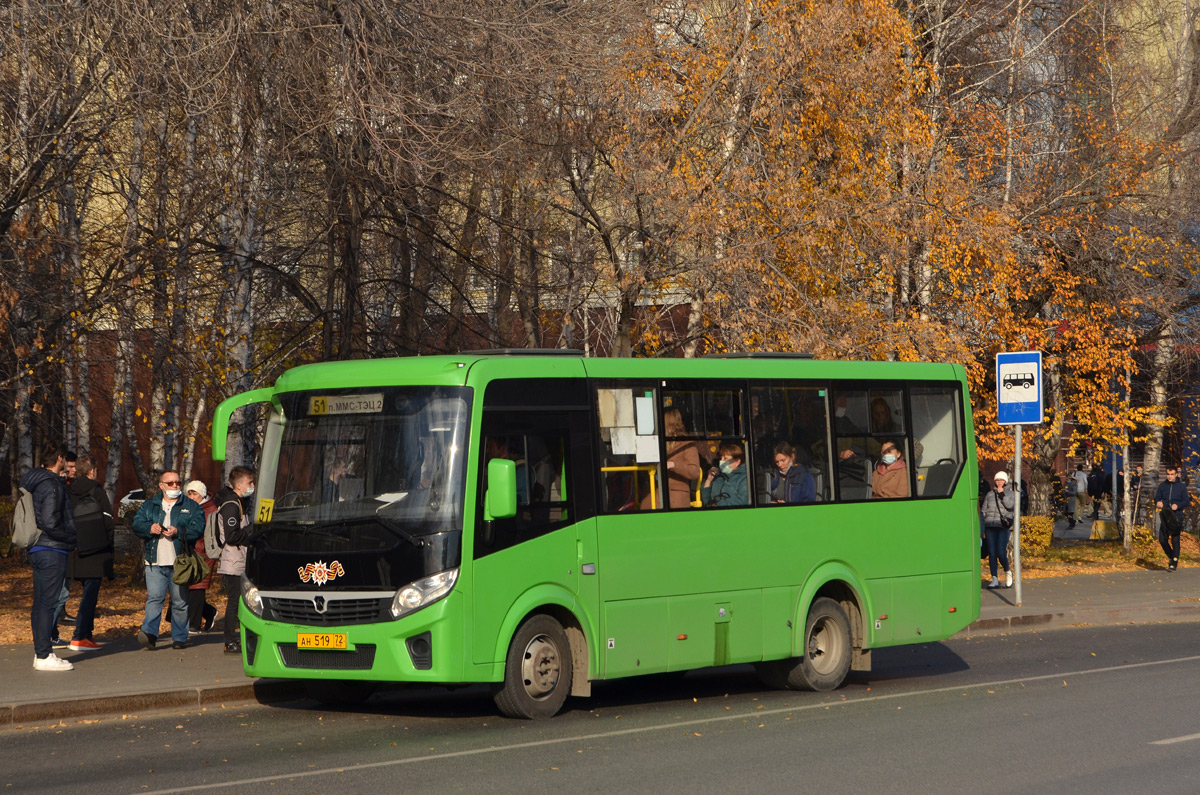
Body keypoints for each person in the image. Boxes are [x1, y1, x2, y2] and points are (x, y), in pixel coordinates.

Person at [132, 470, 206, 650]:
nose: (175, 486)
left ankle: (179, 637)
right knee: (155, 599)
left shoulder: (191, 505)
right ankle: (149, 634)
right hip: (154, 562)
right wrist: (150, 528)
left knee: (180, 601)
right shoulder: (150, 505)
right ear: (161, 486)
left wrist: (178, 531)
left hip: (180, 563)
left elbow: (198, 527)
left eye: (178, 483)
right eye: (171, 483)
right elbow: (137, 523)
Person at [21, 443, 77, 671]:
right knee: (47, 604)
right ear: (60, 458)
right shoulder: (52, 483)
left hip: (38, 547)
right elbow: (50, 521)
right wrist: (71, 538)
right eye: (65, 460)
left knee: (41, 604)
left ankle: (41, 653)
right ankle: (44, 655)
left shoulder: (36, 482)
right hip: (51, 548)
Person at [65, 454, 114, 651]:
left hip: (73, 551)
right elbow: (108, 522)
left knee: (75, 595)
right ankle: (80, 637)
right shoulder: (97, 490)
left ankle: (86, 635)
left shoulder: (67, 490)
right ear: (92, 471)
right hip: (95, 551)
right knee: (89, 596)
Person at [216, 466, 257, 654]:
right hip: (233, 561)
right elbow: (232, 536)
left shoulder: (239, 503)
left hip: (240, 559)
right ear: (239, 485)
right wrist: (252, 529)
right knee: (234, 601)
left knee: (242, 600)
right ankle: (230, 640)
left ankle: (238, 637)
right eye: (250, 483)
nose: (253, 486)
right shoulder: (231, 505)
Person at [184, 480, 219, 634]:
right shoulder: (190, 508)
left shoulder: (210, 509)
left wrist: (200, 548)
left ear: (202, 494)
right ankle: (208, 612)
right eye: (189, 493)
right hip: (189, 552)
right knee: (186, 586)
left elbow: (210, 534)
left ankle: (194, 624)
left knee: (197, 587)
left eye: (194, 493)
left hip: (203, 553)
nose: (191, 496)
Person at [980, 470, 1016, 589]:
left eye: (1001, 480)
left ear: (1005, 481)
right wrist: (983, 523)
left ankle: (1008, 571)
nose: (999, 482)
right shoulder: (990, 494)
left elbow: (1010, 506)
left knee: (1000, 552)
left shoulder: (1011, 494)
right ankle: (994, 578)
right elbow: (983, 510)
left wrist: (1002, 494)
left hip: (1003, 526)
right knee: (992, 553)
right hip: (990, 525)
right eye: (997, 480)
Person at [662, 408, 702, 509]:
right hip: (654, 494)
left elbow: (694, 472)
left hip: (675, 498)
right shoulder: (657, 443)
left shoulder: (687, 444)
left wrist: (673, 465)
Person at [1155, 465, 1190, 572]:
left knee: (1175, 540)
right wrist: (1158, 502)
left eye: (1172, 474)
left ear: (1176, 475)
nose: (1170, 477)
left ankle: (1174, 562)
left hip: (1176, 516)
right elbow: (1157, 498)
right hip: (1166, 515)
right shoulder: (1162, 486)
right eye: (1168, 474)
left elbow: (1186, 501)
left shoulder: (1181, 487)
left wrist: (1177, 506)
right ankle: (1171, 556)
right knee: (1162, 539)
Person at [701, 442, 748, 507]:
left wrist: (718, 505)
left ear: (737, 461)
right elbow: (706, 501)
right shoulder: (718, 477)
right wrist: (708, 480)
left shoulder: (744, 478)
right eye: (721, 458)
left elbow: (742, 501)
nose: (721, 461)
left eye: (725, 458)